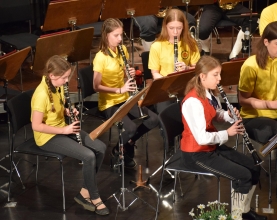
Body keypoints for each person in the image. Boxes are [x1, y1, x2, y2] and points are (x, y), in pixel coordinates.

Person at [181, 55, 266, 220]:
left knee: (253, 168)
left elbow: (216, 113)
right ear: (202, 76)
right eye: (216, 75)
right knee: (243, 175)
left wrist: (228, 115)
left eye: (220, 74)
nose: (219, 79)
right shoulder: (193, 102)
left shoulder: (210, 93)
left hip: (210, 147)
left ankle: (244, 212)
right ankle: (236, 216)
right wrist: (228, 133)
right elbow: (201, 138)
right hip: (195, 153)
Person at [31, 55, 109, 216]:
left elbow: (57, 107)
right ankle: (94, 197)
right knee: (88, 156)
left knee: (100, 147)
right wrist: (64, 131)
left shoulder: (56, 85)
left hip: (62, 127)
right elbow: (36, 125)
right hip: (47, 137)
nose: (67, 81)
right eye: (64, 78)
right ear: (51, 75)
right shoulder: (41, 95)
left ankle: (84, 192)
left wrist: (67, 111)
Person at [93, 18, 159, 169]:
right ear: (106, 35)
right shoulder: (100, 57)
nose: (120, 39)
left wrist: (127, 73)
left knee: (153, 119)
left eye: (121, 35)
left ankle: (127, 144)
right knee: (130, 128)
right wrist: (119, 90)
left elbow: (121, 74)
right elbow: (96, 86)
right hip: (110, 102)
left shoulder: (121, 50)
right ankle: (119, 149)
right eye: (116, 35)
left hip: (125, 99)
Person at [148, 8, 200, 114]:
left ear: (184, 27)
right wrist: (168, 82)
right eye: (171, 28)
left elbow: (197, 69)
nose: (175, 32)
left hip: (185, 87)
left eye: (179, 28)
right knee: (166, 114)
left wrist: (186, 68)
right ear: (165, 27)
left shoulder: (191, 44)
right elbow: (155, 73)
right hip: (164, 89)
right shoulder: (156, 46)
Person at [239, 21, 277, 147]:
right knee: (272, 132)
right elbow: (243, 99)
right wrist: (269, 104)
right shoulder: (251, 65)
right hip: (254, 116)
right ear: (266, 42)